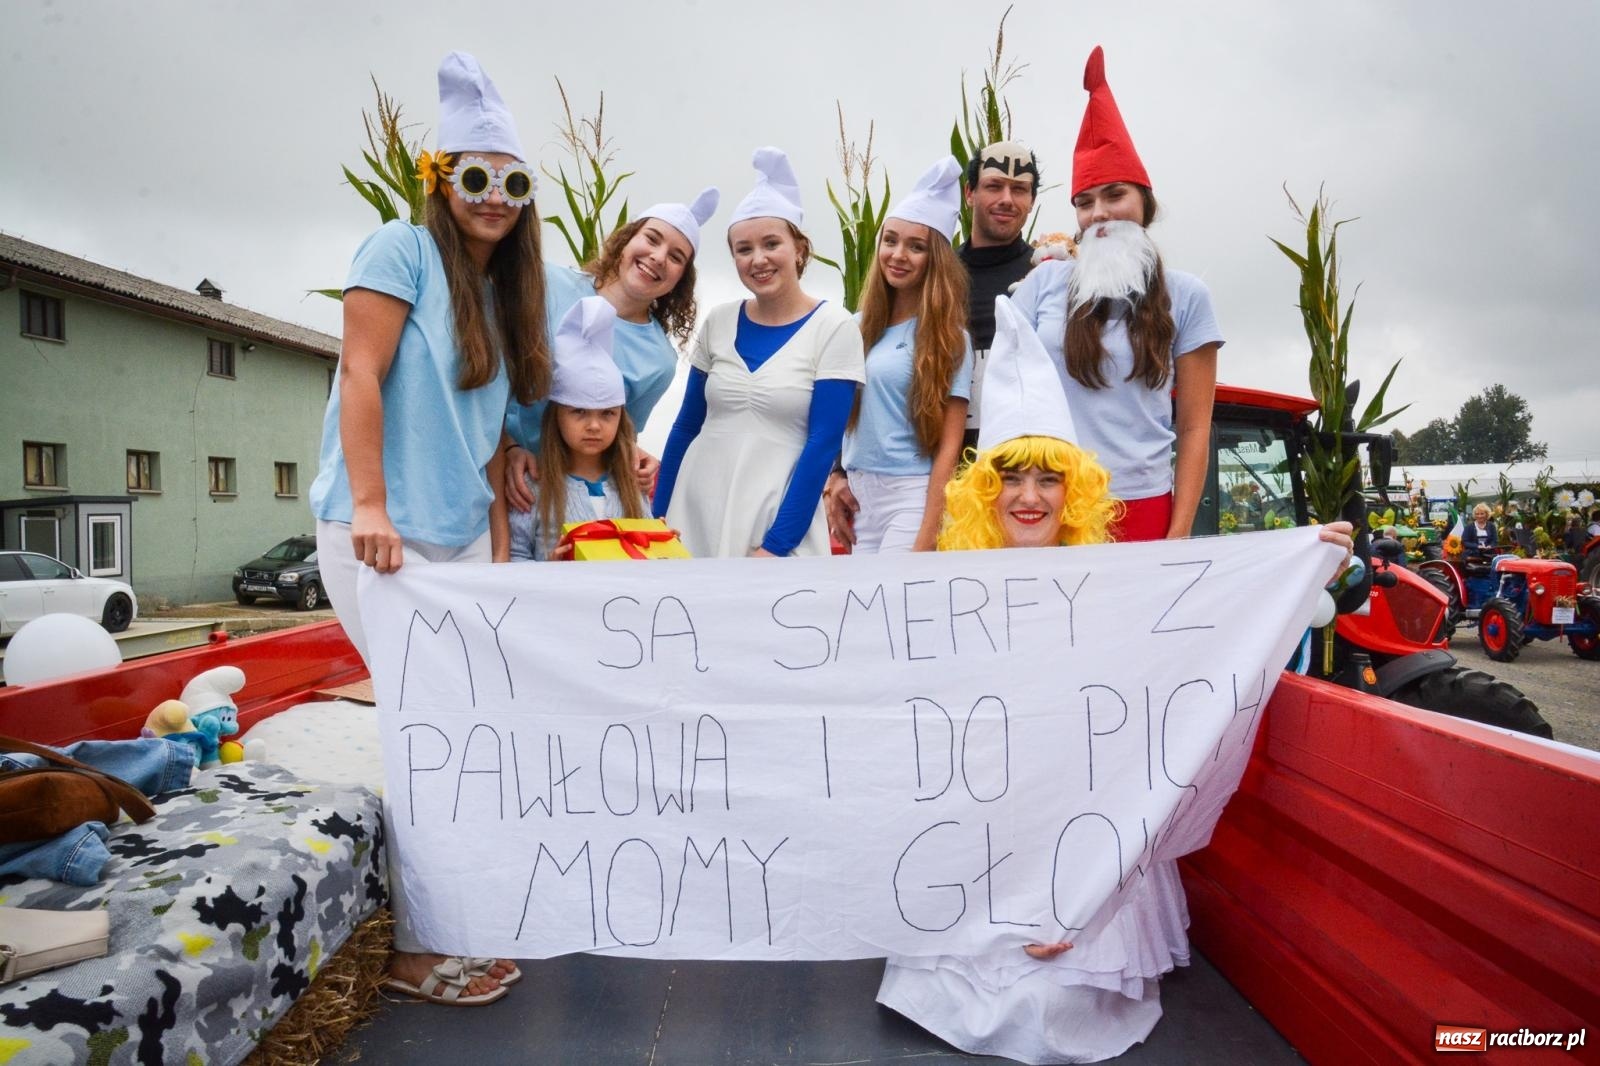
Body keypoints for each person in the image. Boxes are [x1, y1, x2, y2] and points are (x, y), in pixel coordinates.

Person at [877, 295, 1354, 1064]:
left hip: (1081, 819)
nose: (1029, 498)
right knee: (966, 990)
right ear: (981, 491)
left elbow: (1209, 621)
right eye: (1011, 478)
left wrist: (1303, 554)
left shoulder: (1115, 582)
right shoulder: (948, 586)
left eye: (1048, 480)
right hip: (982, 820)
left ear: (1077, 492)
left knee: (1051, 1002)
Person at [307, 52, 542, 1006]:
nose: (493, 197)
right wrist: (369, 504)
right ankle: (413, 950)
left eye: (512, 182)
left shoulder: (500, 292)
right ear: (441, 182)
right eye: (473, 177)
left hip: (454, 544)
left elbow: (489, 437)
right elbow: (359, 372)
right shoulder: (397, 249)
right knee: (424, 734)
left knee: (460, 732)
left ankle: (449, 919)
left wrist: (492, 545)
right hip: (381, 535)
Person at [1010, 46, 1222, 542]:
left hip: (1143, 504)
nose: (1099, 214)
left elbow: (1194, 428)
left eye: (1114, 196)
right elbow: (1009, 392)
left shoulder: (1187, 296)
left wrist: (1179, 532)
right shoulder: (1043, 283)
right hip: (1048, 502)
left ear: (1144, 203)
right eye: (1084, 202)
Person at [652, 147, 865, 557]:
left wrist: (776, 546)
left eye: (771, 244)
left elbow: (822, 443)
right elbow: (685, 427)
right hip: (694, 511)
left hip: (775, 518)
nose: (758, 259)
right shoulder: (718, 322)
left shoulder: (834, 327)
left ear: (799, 249)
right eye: (743, 249)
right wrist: (657, 521)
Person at [502, 187, 718, 505]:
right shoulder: (545, 284)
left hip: (556, 496)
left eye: (676, 257)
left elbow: (617, 432)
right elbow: (490, 373)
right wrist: (507, 447)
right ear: (626, 239)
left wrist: (632, 455)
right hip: (493, 464)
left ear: (680, 279)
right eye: (652, 239)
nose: (658, 258)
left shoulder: (659, 361)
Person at [824, 156, 974, 553]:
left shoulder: (950, 338)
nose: (899, 254)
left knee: (894, 604)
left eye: (916, 246)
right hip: (857, 495)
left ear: (935, 259)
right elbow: (832, 417)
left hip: (910, 495)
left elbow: (948, 446)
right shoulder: (854, 328)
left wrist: (928, 531)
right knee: (863, 610)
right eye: (890, 241)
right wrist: (831, 481)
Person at [505, 297, 648, 561]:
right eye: (579, 411)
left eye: (607, 414)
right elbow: (514, 556)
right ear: (557, 414)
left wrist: (661, 542)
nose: (594, 426)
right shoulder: (534, 487)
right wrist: (549, 569)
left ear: (621, 418)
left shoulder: (632, 485)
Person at [958, 141, 1042, 449]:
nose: (1006, 199)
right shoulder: (936, 276)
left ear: (1032, 200)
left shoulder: (1047, 276)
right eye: (994, 186)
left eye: (1019, 189)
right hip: (940, 468)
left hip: (1025, 467)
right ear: (970, 193)